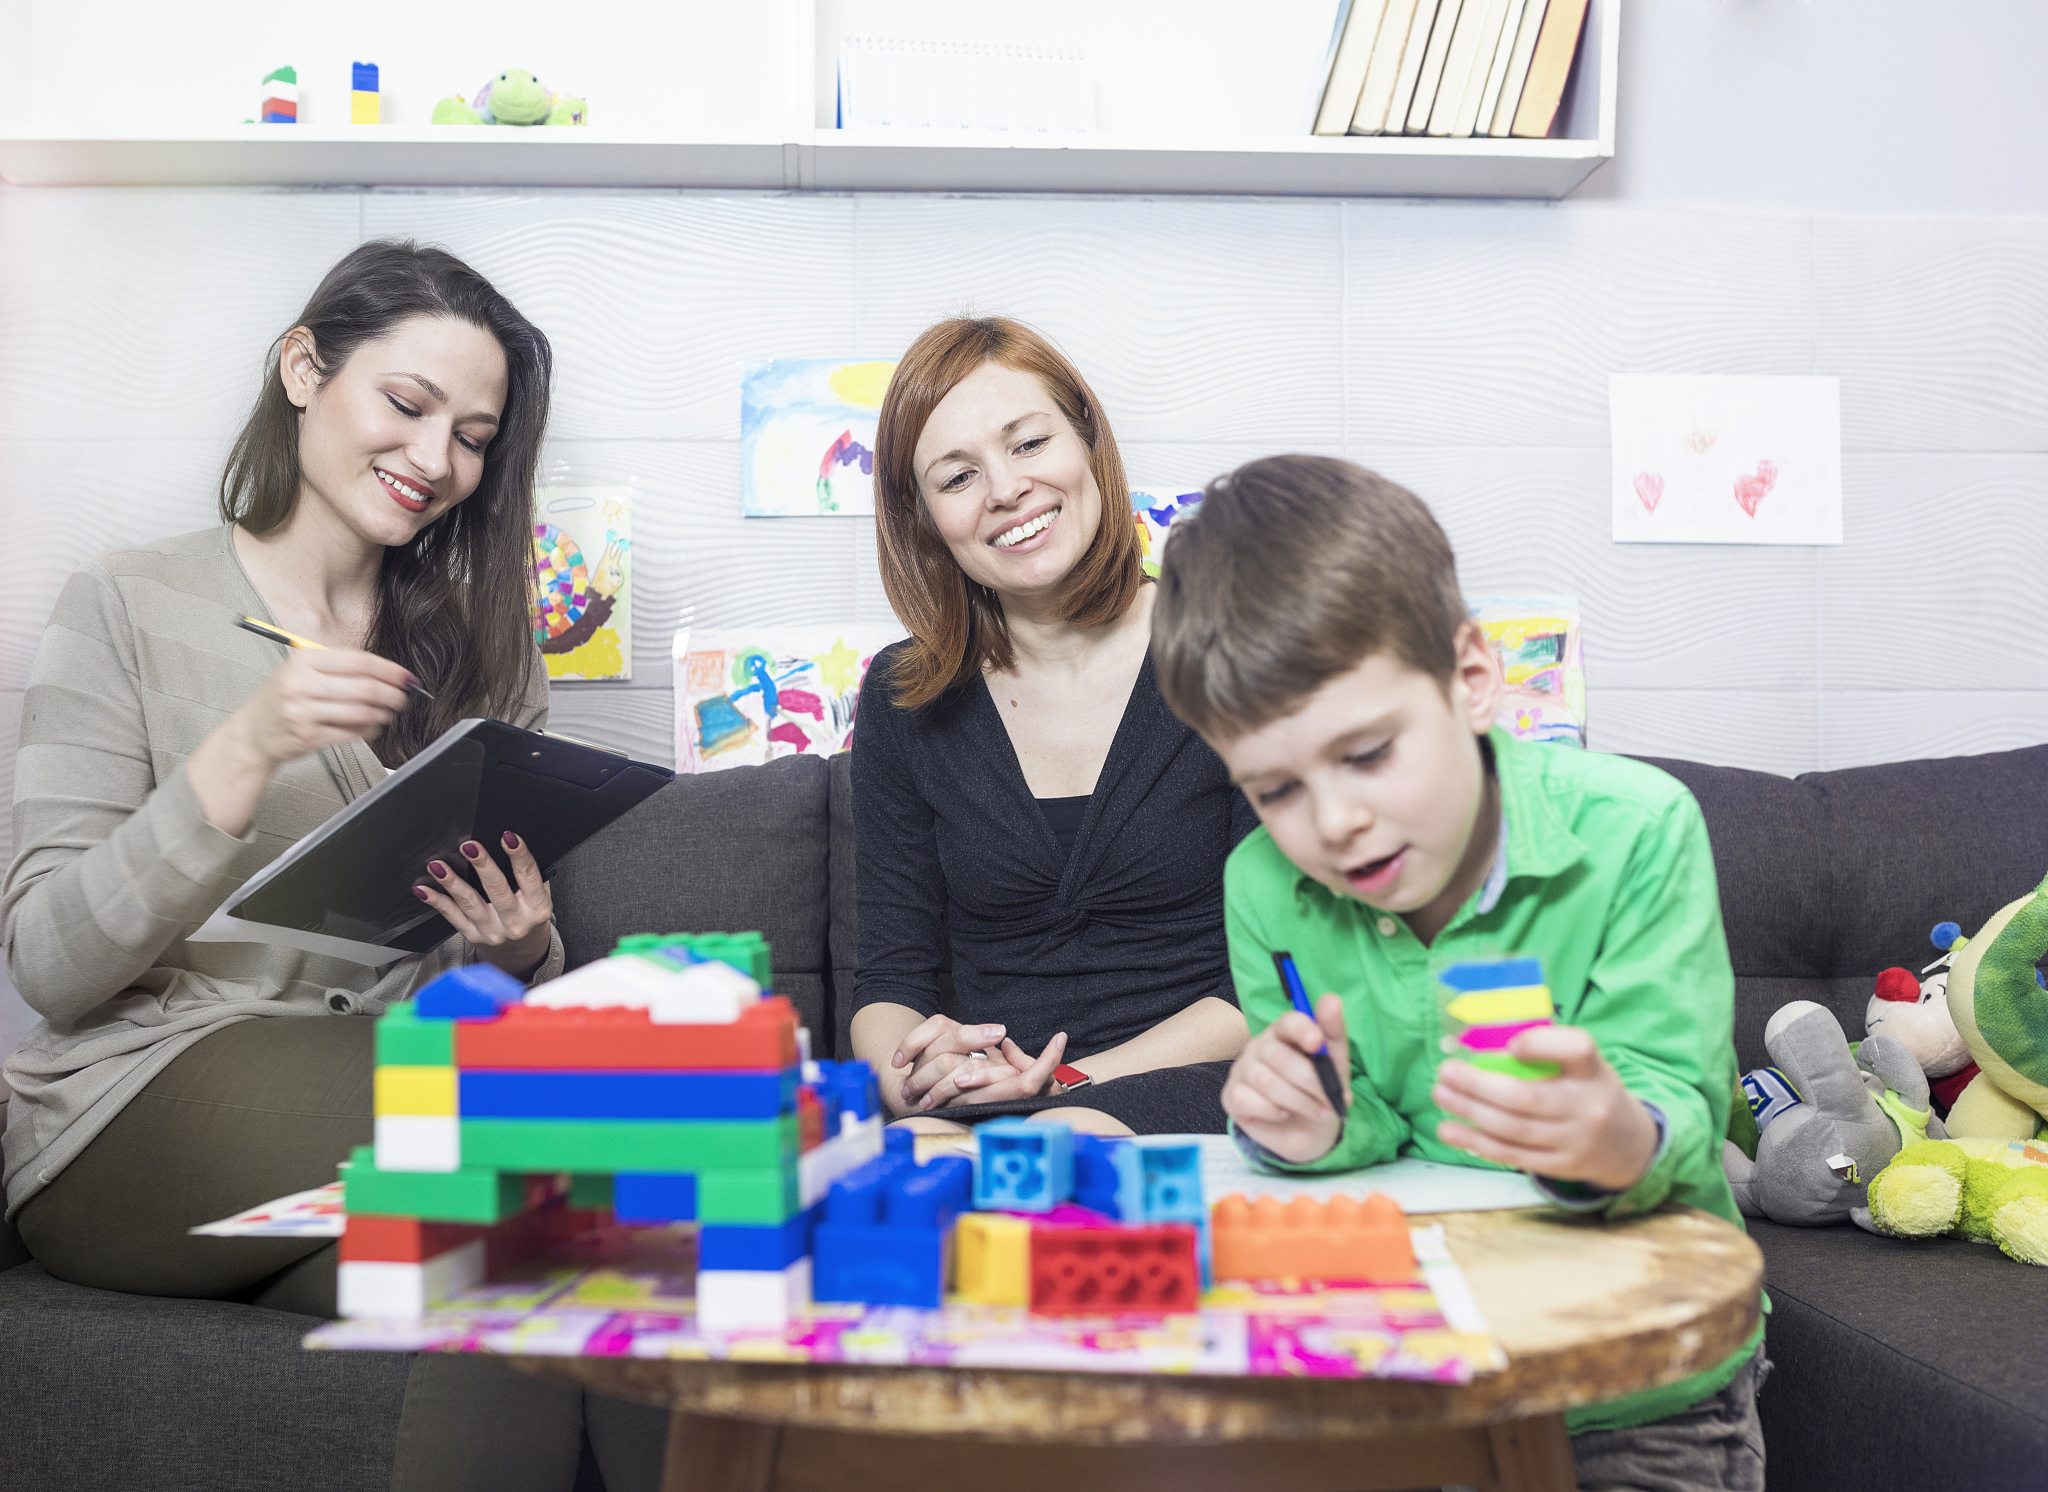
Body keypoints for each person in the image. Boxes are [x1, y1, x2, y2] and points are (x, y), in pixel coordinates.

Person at [1, 240, 665, 1491]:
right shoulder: (127, 602)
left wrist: (519, 945)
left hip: (377, 1108)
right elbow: (50, 960)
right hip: (133, 1108)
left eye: (472, 437)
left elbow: (445, 978)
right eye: (407, 406)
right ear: (306, 368)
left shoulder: (470, 655)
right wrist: (241, 750)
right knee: (592, 1120)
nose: (435, 461)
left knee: (550, 1287)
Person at [1149, 455, 1767, 1489]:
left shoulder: (1636, 829)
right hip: (1404, 1372)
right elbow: (1364, 1128)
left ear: (1471, 678)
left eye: (1365, 754)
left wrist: (1614, 1136)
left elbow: (1673, 1099)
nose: (1333, 823)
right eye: (1274, 789)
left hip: (1634, 1384)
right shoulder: (1262, 886)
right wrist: (1306, 1128)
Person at [850, 317, 1256, 1137]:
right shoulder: (903, 695)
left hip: (1210, 1082)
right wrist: (922, 1081)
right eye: (957, 477)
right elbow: (890, 979)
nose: (1005, 489)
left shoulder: (1234, 651)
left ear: (1087, 442)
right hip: (995, 1108)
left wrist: (1066, 1087)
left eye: (1029, 443)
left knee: (1059, 1143)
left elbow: (1287, 975)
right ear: (924, 517)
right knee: (909, 1161)